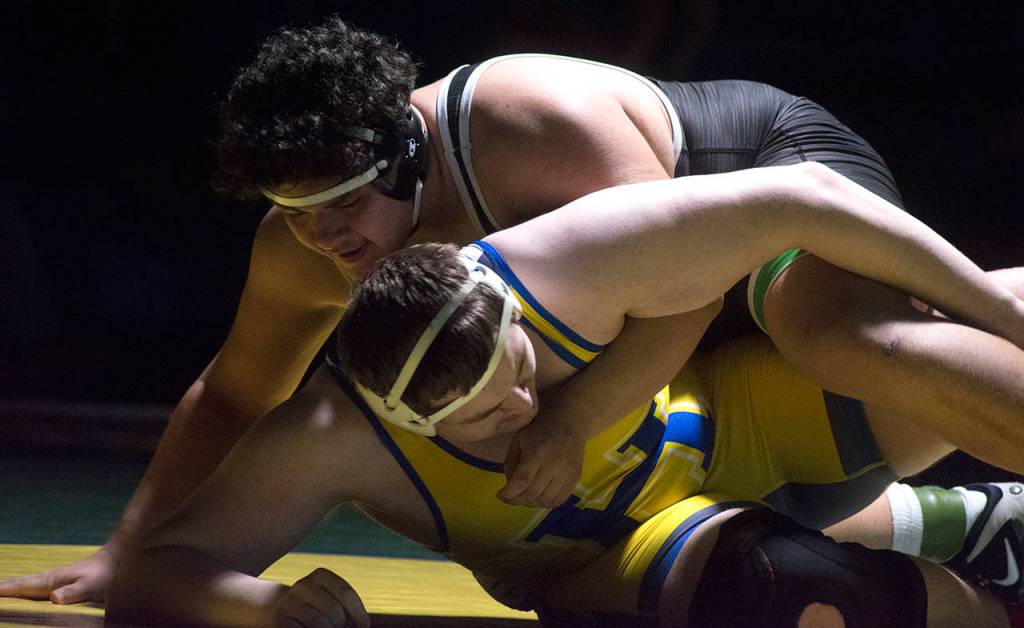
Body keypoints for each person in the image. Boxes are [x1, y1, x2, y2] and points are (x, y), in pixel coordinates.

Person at [7, 16, 1024, 606]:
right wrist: (132, 546)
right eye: (292, 214)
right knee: (713, 498)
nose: (325, 239)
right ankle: (972, 524)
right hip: (657, 309)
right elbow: (234, 386)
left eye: (342, 206)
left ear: (406, 149)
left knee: (835, 339)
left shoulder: (536, 129)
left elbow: (688, 284)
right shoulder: (311, 244)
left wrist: (576, 419)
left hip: (747, 179)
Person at [106, 168, 1024, 626]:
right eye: (488, 413)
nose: (524, 403)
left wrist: (996, 308)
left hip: (751, 425)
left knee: (982, 335)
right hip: (652, 549)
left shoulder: (558, 263)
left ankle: (975, 519)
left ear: (505, 307)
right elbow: (161, 562)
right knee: (775, 588)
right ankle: (991, 588)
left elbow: (806, 191)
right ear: (396, 418)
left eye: (524, 367)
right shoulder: (333, 433)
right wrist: (263, 607)